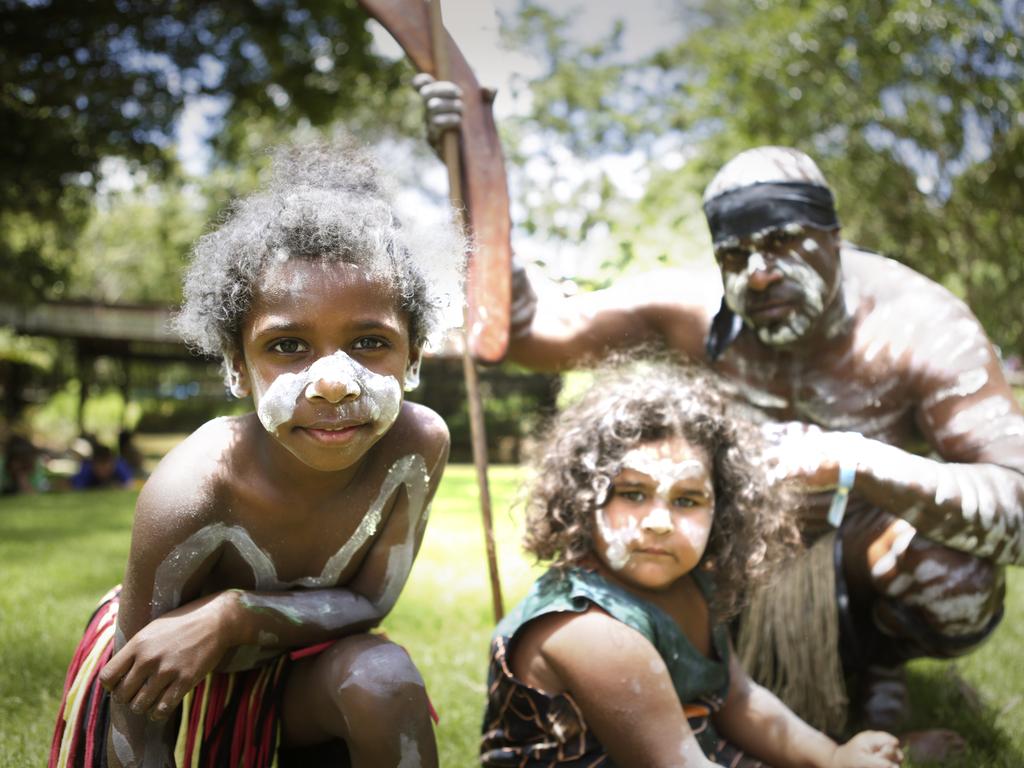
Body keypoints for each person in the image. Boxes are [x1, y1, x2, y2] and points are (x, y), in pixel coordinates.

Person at [416, 81, 1022, 744]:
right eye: (735, 256)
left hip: (856, 547)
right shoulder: (692, 308)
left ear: (834, 239)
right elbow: (527, 332)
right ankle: (700, 692)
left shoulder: (918, 325)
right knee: (660, 538)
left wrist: (853, 461)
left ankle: (874, 671)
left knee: (952, 571)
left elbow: (1017, 506)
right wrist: (475, 175)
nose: (758, 274)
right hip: (726, 562)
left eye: (784, 243)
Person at [50, 138, 464, 768]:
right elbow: (138, 702)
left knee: (384, 678)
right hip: (167, 681)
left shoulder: (416, 447)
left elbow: (374, 604)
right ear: (237, 368)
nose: (333, 381)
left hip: (285, 667)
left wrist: (236, 617)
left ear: (413, 357)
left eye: (370, 341)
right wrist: (211, 631)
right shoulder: (196, 485)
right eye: (289, 346)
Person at [481, 360, 903, 767]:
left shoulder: (696, 583)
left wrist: (831, 757)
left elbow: (738, 698)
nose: (660, 523)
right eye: (632, 493)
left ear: (723, 508)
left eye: (686, 500)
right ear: (584, 497)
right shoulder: (592, 631)